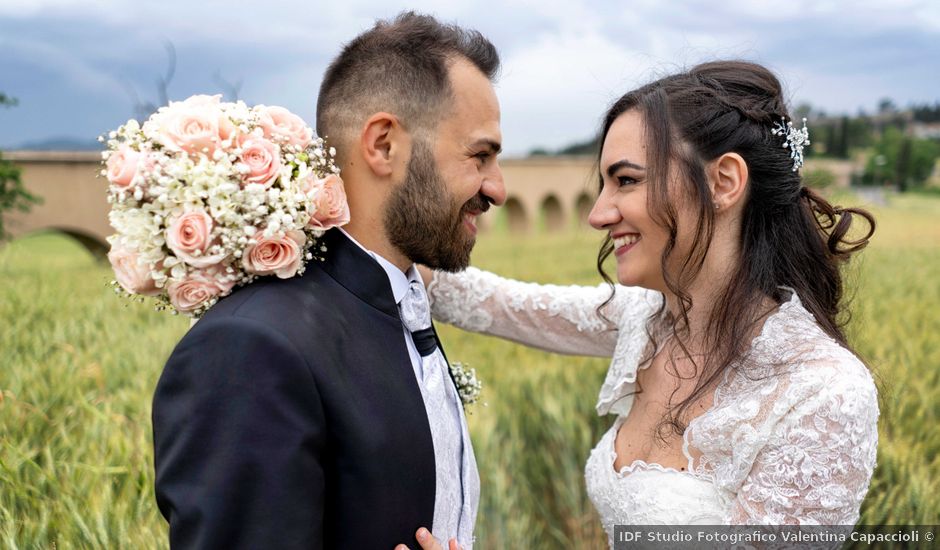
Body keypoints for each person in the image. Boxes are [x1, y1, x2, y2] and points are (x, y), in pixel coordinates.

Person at [422, 61, 879, 543]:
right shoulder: (646, 318)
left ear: (723, 182)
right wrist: (349, 227)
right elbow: (498, 303)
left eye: (626, 180)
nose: (598, 215)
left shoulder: (823, 392)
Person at [151, 12, 505, 549]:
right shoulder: (253, 348)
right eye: (480, 155)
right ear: (384, 144)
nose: (497, 188)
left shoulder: (392, 303)